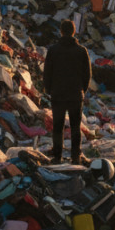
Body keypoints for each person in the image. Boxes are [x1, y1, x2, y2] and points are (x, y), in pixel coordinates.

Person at [42, 19, 92, 163]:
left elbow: (47, 73)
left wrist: (50, 90)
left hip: (58, 94)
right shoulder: (82, 51)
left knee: (58, 127)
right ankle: (75, 157)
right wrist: (82, 90)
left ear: (61, 32)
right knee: (76, 127)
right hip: (75, 94)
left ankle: (57, 156)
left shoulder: (53, 50)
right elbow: (87, 75)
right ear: (74, 32)